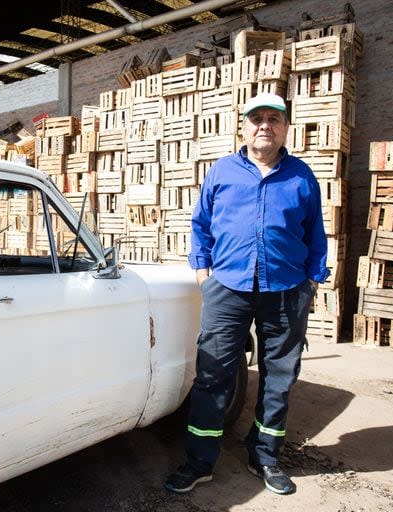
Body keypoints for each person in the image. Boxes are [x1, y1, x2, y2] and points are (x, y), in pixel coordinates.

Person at [164, 92, 330, 496]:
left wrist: (312, 281)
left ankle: (266, 457)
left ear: (286, 127)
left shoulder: (301, 176)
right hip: (228, 287)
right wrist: (203, 271)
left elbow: (315, 233)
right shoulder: (223, 172)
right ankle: (200, 461)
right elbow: (201, 223)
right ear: (244, 125)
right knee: (213, 374)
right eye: (257, 118)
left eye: (274, 119)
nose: (265, 126)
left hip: (286, 289)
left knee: (279, 378)